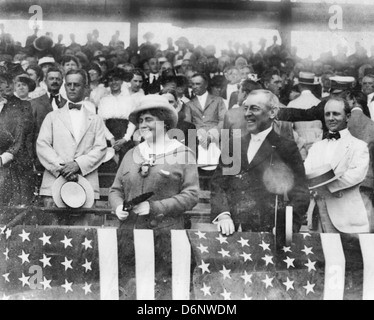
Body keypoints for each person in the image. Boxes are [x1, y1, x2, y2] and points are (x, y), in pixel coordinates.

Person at [210, 89, 309, 236]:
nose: (247, 113)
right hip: (233, 231)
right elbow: (219, 184)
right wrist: (223, 215)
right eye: (246, 108)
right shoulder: (233, 144)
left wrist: (287, 226)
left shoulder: (286, 147)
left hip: (271, 232)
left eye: (254, 108)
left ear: (273, 113)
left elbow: (300, 192)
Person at [109, 94, 199, 230]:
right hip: (130, 232)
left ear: (164, 122)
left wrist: (155, 207)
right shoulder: (131, 154)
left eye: (149, 120)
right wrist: (118, 206)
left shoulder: (183, 154)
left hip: (165, 234)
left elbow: (191, 195)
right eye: (140, 121)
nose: (143, 125)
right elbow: (115, 190)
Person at [36, 69, 107, 225]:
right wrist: (63, 168)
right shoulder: (52, 117)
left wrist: (78, 165)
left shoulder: (95, 119)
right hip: (55, 183)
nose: (72, 88)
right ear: (64, 87)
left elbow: (101, 148)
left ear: (85, 88)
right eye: (69, 85)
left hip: (85, 184)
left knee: (83, 237)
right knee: (52, 234)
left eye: (77, 84)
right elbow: (43, 145)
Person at [304, 97, 370, 234]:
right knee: (320, 253)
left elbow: (355, 176)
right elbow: (306, 171)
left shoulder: (359, 146)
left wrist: (325, 187)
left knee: (345, 255)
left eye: (336, 114)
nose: (331, 118)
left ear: (347, 116)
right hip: (317, 212)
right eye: (327, 114)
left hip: (345, 216)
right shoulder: (316, 147)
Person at [0, 72, 35, 206]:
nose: (8, 85)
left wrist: (5, 157)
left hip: (16, 163)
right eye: (3, 81)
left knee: (17, 207)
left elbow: (21, 136)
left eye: (11, 81)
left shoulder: (23, 106)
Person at [97, 68, 136, 164]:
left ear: (122, 81)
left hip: (125, 134)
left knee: (125, 162)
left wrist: (125, 138)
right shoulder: (104, 100)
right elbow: (100, 121)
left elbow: (132, 121)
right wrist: (111, 139)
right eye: (111, 80)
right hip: (108, 135)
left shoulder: (129, 100)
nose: (114, 83)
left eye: (117, 80)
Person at [287, 72, 323, 158]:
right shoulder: (320, 103)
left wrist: (301, 144)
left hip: (299, 146)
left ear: (299, 86)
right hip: (318, 144)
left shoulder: (292, 104)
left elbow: (288, 129)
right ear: (313, 86)